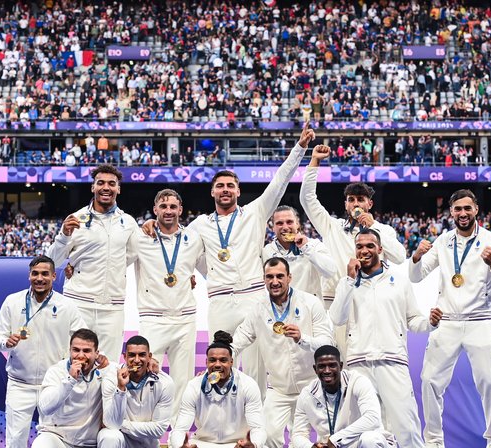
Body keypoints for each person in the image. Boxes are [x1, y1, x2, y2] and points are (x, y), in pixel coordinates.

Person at [146, 125, 315, 395]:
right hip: (220, 302)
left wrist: (300, 148)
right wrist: (150, 224)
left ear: (238, 191)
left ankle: (255, 430)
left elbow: (280, 181)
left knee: (257, 365)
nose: (225, 190)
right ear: (212, 192)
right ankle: (222, 425)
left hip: (252, 298)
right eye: (220, 186)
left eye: (230, 186)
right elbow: (180, 246)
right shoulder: (200, 224)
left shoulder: (255, 212)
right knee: (219, 363)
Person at [329, 229, 440, 448]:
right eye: (359, 246)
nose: (364, 251)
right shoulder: (349, 283)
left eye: (369, 246)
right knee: (357, 429)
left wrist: (430, 322)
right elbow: (337, 318)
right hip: (358, 365)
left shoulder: (398, 280)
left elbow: (413, 319)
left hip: (393, 362)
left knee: (407, 426)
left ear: (380, 249)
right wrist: (347, 280)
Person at [409, 189, 491, 448]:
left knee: (490, 381)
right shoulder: (443, 241)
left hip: (479, 320)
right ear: (451, 212)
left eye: (467, 208)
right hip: (447, 321)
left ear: (476, 209)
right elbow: (416, 277)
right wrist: (417, 257)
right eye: (458, 209)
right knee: (429, 381)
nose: (463, 214)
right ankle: (433, 442)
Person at [231, 257, 335, 448]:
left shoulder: (310, 303)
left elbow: (328, 343)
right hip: (278, 389)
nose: (275, 281)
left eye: (280, 276)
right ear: (264, 280)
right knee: (268, 436)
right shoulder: (258, 309)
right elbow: (241, 338)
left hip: (312, 387)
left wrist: (303, 338)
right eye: (270, 277)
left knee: (321, 439)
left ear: (290, 277)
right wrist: (223, 356)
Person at [0, 255, 88, 448]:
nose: (40, 278)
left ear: (55, 276)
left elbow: (83, 339)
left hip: (54, 386)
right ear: (29, 275)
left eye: (45, 274)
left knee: (54, 444)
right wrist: (6, 341)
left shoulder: (67, 306)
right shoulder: (12, 302)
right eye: (35, 274)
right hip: (20, 384)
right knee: (15, 443)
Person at [299, 144, 406, 357]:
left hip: (371, 299)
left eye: (360, 199)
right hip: (335, 300)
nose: (355, 203)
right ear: (346, 204)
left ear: (369, 204)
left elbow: (400, 257)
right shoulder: (332, 226)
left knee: (369, 356)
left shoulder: (383, 230)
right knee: (337, 358)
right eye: (351, 200)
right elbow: (307, 200)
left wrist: (372, 226)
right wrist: (314, 163)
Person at [167, 331, 273, 448]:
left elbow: (259, 428)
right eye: (212, 360)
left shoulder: (247, 384)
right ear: (206, 362)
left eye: (223, 360)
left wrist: (253, 445)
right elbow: (179, 429)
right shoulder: (194, 386)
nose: (217, 364)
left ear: (232, 361)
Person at [46, 165, 137, 362]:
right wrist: (63, 237)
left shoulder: (128, 222)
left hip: (112, 306)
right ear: (92, 187)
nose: (106, 187)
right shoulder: (76, 219)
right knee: (73, 363)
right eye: (101, 183)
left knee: (109, 365)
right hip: (78, 303)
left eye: (112, 184)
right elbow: (52, 261)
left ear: (118, 189)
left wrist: (111, 267)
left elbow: (130, 256)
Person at [280, 345, 395, 448]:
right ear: (315, 369)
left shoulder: (358, 381)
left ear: (340, 366)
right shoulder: (307, 394)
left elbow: (373, 418)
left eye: (332, 365)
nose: (327, 370)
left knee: (370, 439)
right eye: (321, 366)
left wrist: (334, 441)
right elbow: (298, 434)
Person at [127, 189, 204, 412]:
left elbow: (210, 268)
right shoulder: (141, 237)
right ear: (155, 210)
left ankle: (176, 440)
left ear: (180, 210)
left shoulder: (194, 238)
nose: (168, 211)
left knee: (183, 383)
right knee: (146, 376)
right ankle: (147, 437)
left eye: (173, 207)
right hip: (153, 318)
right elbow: (115, 260)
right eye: (163, 206)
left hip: (185, 318)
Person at [28, 328, 117, 448]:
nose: (80, 355)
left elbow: (133, 370)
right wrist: (69, 381)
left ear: (96, 353)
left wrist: (153, 367)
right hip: (55, 437)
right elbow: (45, 407)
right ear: (69, 350)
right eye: (76, 350)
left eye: (86, 351)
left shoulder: (106, 369)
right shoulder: (56, 371)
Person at [98, 336, 175, 448]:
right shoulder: (112, 379)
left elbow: (158, 430)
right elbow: (111, 424)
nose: (137, 360)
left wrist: (121, 425)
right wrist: (121, 388)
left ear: (150, 356)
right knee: (109, 436)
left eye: (142, 355)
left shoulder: (165, 383)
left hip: (144, 447)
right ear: (124, 357)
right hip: (120, 440)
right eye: (132, 355)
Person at [261, 205, 335, 300]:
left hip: (309, 310)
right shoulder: (266, 251)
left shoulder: (314, 245)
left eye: (289, 222)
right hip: (279, 311)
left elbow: (331, 272)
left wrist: (306, 248)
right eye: (279, 223)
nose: (285, 227)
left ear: (297, 224)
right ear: (273, 228)